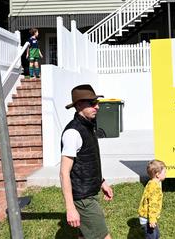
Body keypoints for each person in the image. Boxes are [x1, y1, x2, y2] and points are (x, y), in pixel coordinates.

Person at [60, 84, 114, 239]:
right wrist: (70, 208)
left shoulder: (88, 126)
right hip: (83, 199)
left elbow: (87, 161)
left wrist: (101, 182)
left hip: (88, 193)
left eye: (96, 103)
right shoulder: (73, 133)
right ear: (78, 105)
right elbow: (64, 173)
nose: (97, 107)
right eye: (91, 103)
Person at [137, 160, 167, 239]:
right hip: (148, 218)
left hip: (148, 217)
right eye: (164, 173)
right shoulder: (155, 187)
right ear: (157, 174)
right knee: (152, 237)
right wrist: (152, 219)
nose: (166, 174)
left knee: (156, 235)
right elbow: (153, 204)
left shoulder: (151, 182)